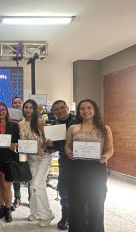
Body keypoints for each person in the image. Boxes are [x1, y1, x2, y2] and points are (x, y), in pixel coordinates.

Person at [65, 99, 113, 232]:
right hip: (77, 168)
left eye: (89, 108)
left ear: (94, 110)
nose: (86, 111)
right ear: (79, 112)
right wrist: (69, 152)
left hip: (97, 168)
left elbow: (110, 149)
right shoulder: (73, 128)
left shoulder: (104, 128)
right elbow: (67, 146)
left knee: (96, 203)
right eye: (82, 109)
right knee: (76, 202)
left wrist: (106, 156)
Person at [19, 99, 54, 227]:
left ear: (34, 110)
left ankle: (47, 215)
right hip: (31, 158)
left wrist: (42, 149)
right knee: (31, 186)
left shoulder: (39, 122)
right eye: (26, 107)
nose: (28, 110)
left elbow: (47, 139)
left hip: (43, 157)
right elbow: (23, 143)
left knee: (37, 185)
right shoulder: (20, 124)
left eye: (30, 107)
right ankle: (35, 213)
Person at [45, 100, 75, 230]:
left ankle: (79, 217)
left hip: (81, 164)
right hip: (65, 163)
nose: (59, 111)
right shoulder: (54, 125)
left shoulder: (78, 122)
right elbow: (54, 149)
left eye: (62, 108)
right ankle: (65, 217)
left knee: (80, 191)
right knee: (63, 191)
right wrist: (50, 145)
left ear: (67, 108)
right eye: (56, 109)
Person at [0, 103, 19, 222]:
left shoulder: (13, 125)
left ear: (7, 111)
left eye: (3, 110)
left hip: (8, 159)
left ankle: (8, 209)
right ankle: (2, 207)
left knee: (7, 186)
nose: (1, 112)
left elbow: (17, 141)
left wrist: (15, 145)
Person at [11, 96, 24, 209]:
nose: (17, 104)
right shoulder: (9, 118)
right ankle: (17, 197)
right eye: (15, 103)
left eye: (19, 102)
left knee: (30, 174)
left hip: (28, 149)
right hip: (14, 149)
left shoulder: (28, 118)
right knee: (16, 175)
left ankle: (31, 197)